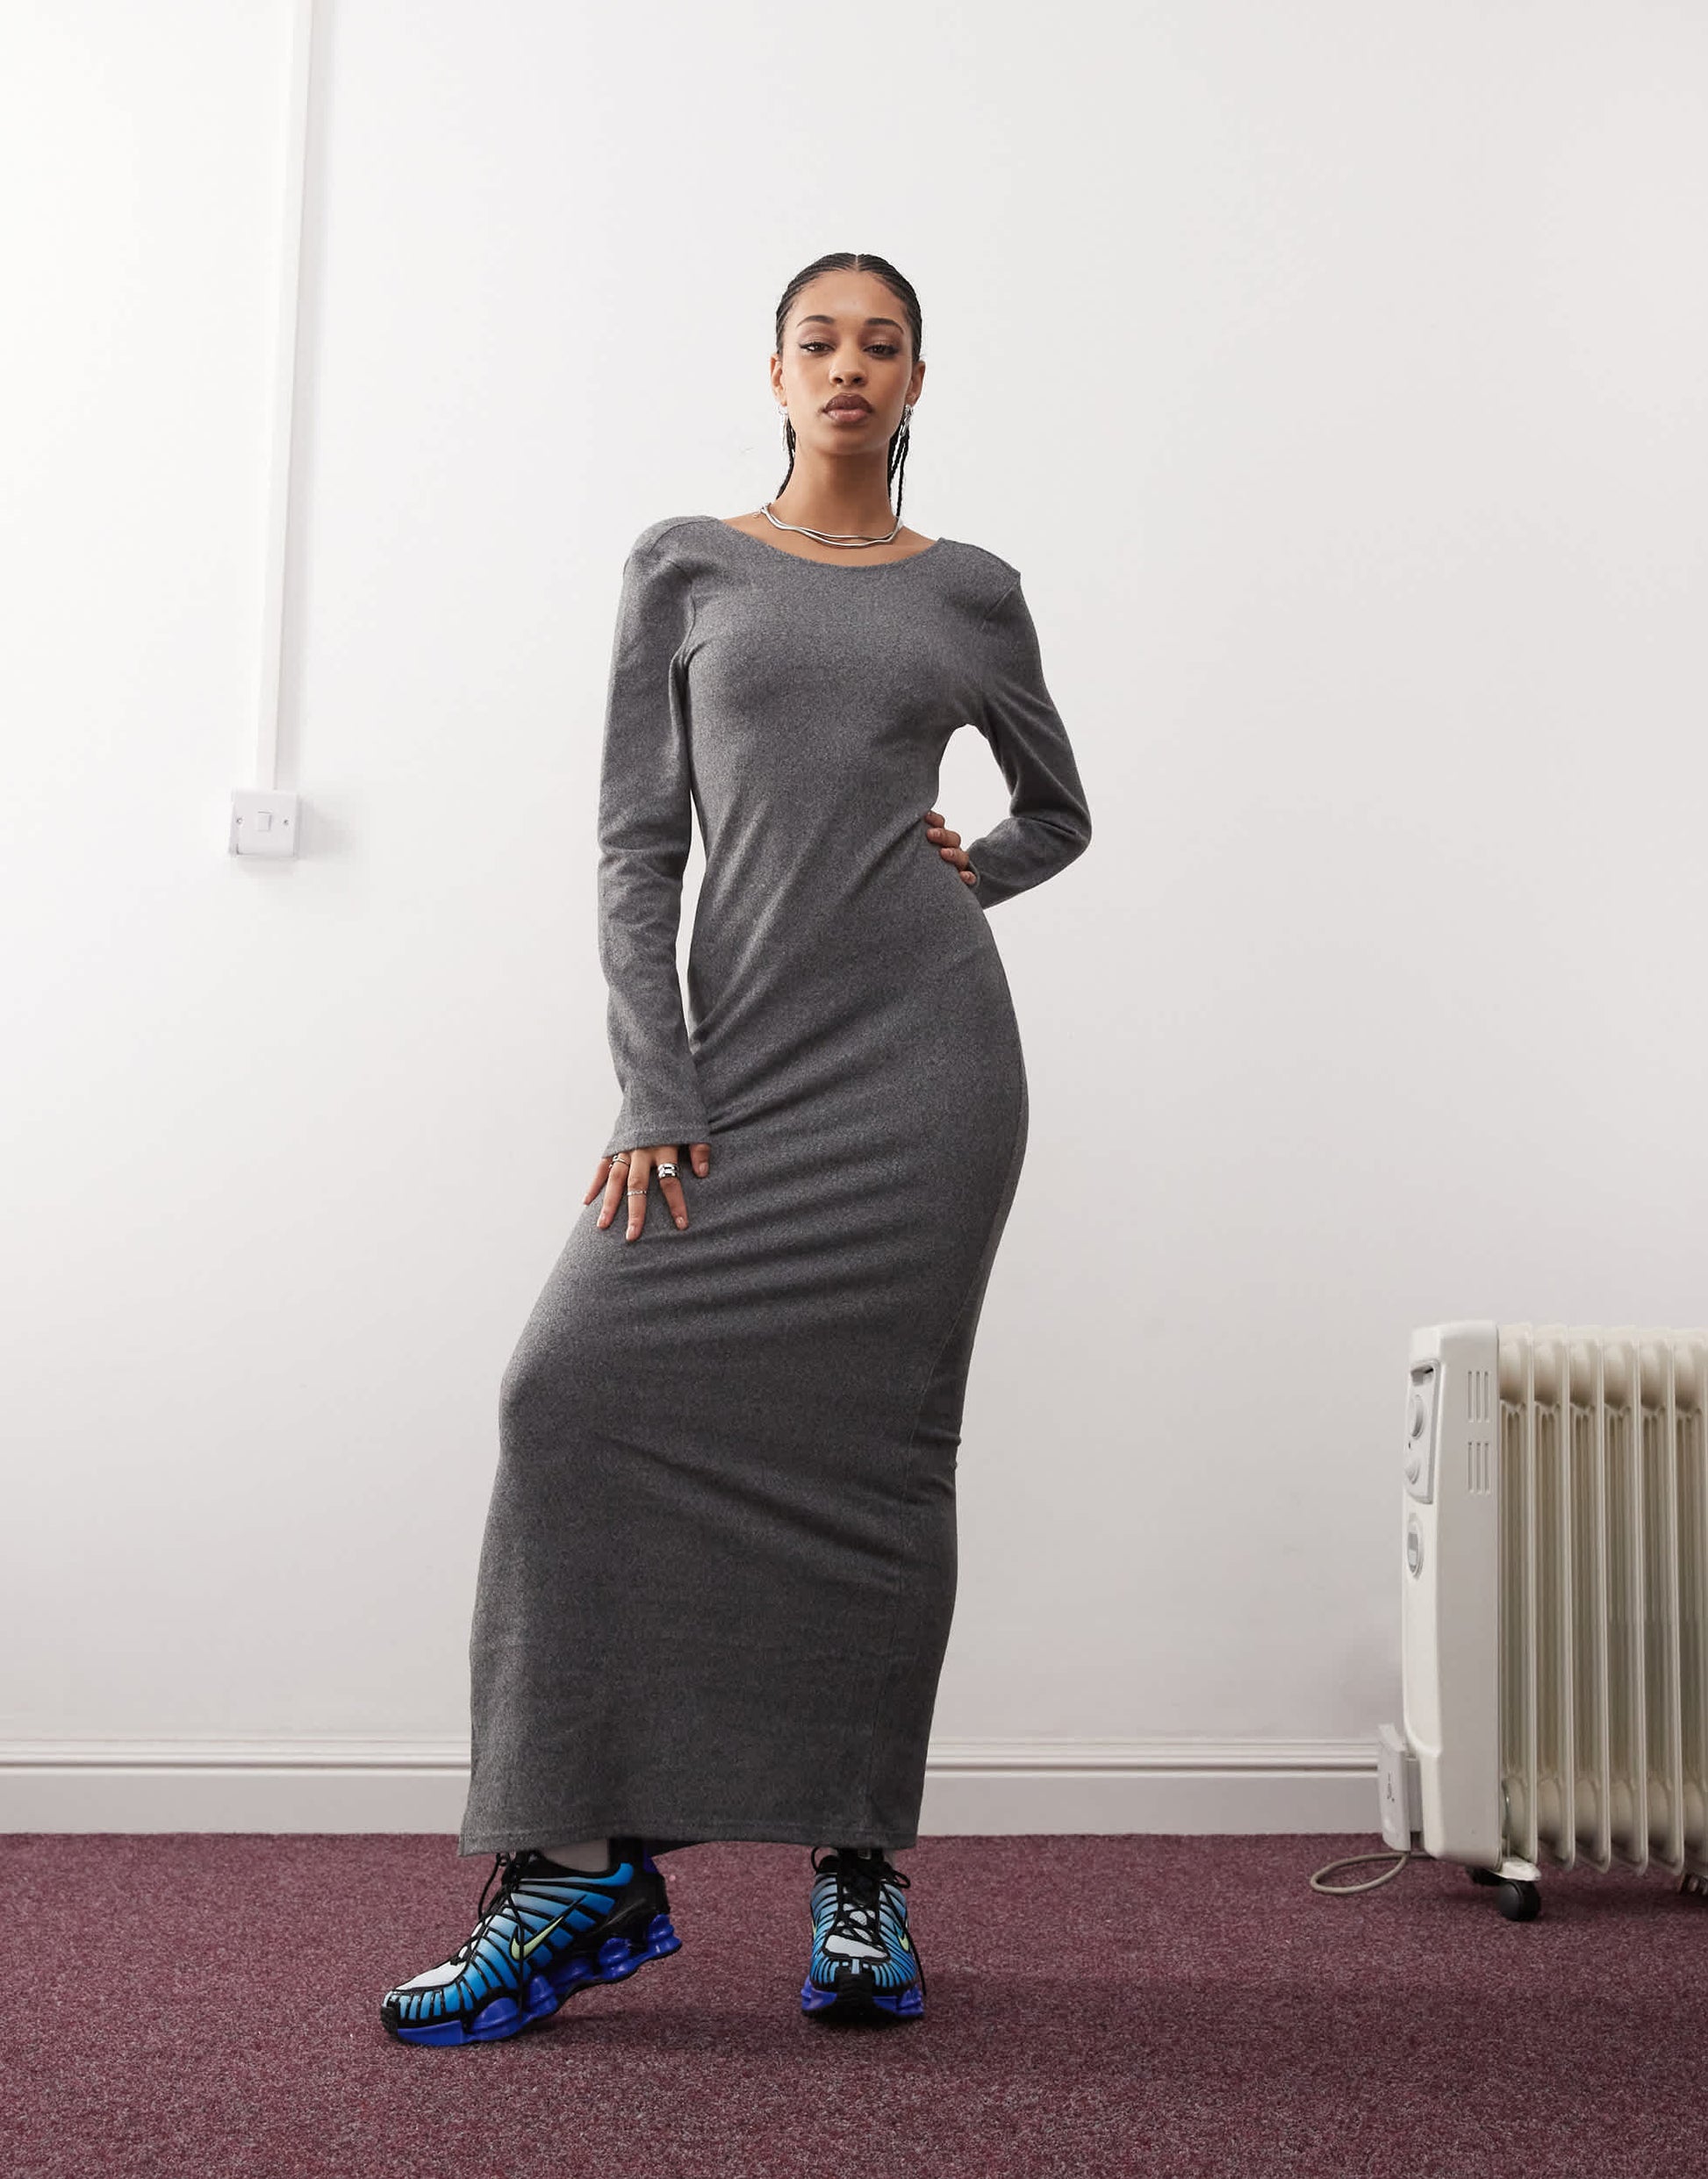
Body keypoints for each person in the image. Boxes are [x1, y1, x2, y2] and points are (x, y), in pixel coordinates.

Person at [381, 251, 1093, 2046]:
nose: (849, 367)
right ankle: (577, 1870)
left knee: (881, 1458)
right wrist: (659, 1092)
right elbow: (637, 849)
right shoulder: (685, 566)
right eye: (818, 341)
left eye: (881, 345)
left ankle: (860, 1874)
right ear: (773, 373)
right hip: (732, 1068)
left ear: (917, 381)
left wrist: (973, 872)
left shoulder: (973, 591)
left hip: (928, 1074)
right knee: (567, 1392)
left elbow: (1057, 811)